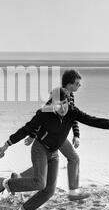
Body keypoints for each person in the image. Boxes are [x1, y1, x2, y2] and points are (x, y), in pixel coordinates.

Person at [0, 87, 109, 210]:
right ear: (52, 104)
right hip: (40, 149)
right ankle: (4, 183)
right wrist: (7, 144)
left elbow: (91, 120)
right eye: (58, 104)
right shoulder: (44, 114)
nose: (62, 108)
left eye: (65, 103)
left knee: (49, 191)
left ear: (68, 101)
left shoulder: (73, 112)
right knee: (40, 183)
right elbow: (26, 129)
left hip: (54, 153)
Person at [11, 69, 86, 200]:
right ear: (69, 84)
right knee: (74, 158)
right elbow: (42, 115)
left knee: (47, 165)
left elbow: (73, 117)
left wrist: (76, 134)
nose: (80, 86)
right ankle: (73, 192)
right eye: (77, 83)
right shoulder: (57, 96)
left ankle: (19, 177)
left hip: (59, 136)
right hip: (52, 136)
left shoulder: (70, 97)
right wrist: (32, 135)